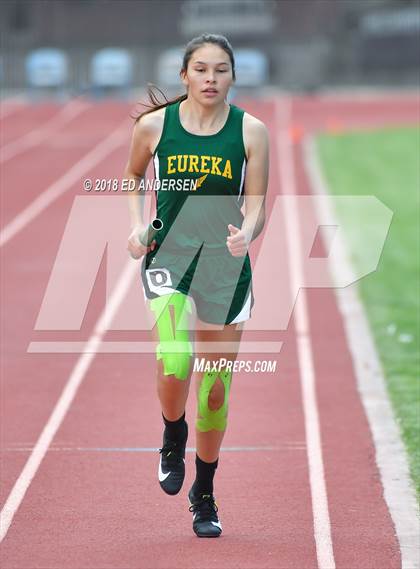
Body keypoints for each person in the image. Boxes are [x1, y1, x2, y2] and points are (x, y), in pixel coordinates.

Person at [124, 33, 269, 537]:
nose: (211, 79)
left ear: (233, 76)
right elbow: (132, 177)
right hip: (169, 259)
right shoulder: (154, 127)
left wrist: (247, 232)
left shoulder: (251, 131)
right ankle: (171, 432)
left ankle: (204, 494)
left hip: (225, 270)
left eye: (221, 70)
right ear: (184, 75)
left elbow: (257, 205)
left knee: (213, 390)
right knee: (174, 358)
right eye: (201, 69)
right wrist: (137, 226)